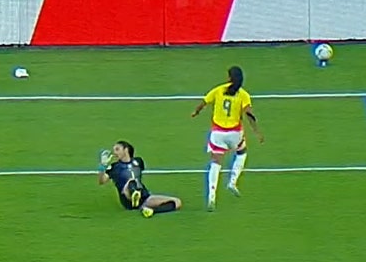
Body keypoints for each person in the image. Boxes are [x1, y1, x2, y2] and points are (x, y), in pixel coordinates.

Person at [190, 65, 263, 211]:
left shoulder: (219, 90)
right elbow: (249, 115)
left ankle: (212, 196)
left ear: (229, 77)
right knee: (241, 153)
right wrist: (257, 132)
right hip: (235, 133)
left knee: (215, 163)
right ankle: (233, 181)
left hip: (218, 133)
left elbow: (204, 102)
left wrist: (195, 112)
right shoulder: (243, 95)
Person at [98, 141, 182, 216]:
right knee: (131, 182)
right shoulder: (114, 167)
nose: (114, 153)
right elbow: (102, 181)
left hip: (144, 197)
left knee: (177, 202)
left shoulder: (138, 161)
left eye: (117, 149)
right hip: (128, 198)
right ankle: (134, 195)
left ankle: (150, 210)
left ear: (126, 150)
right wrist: (102, 166)